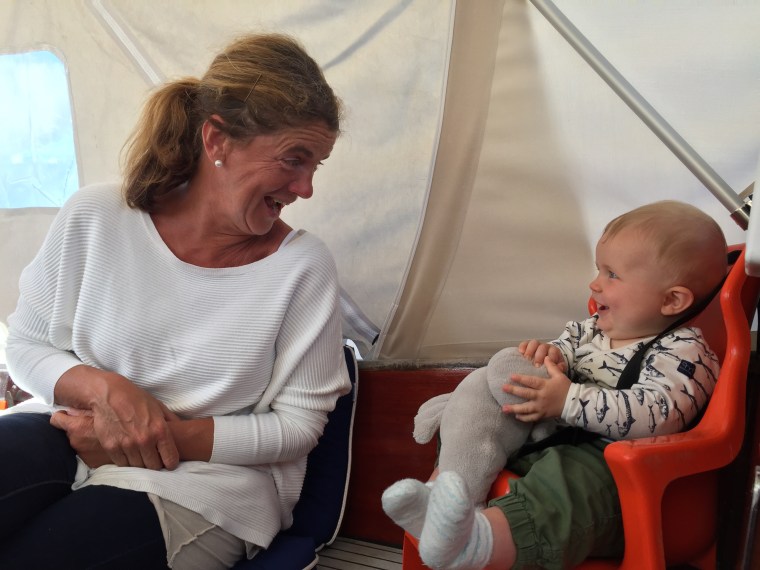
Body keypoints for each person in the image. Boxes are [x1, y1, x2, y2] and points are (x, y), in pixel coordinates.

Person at [0, 33, 350, 570]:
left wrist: (147, 438)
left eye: (315, 166)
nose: (305, 189)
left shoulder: (302, 266)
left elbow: (298, 428)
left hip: (212, 483)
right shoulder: (95, 216)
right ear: (218, 140)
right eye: (293, 160)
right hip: (74, 432)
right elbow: (25, 345)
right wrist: (108, 391)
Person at [382, 200, 728, 569]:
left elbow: (658, 416)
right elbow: (558, 353)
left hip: (625, 471)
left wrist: (569, 400)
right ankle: (447, 496)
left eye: (612, 274)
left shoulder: (684, 352)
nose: (594, 283)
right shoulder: (590, 330)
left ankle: (474, 545)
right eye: (599, 269)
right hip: (554, 438)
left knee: (563, 481)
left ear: (672, 300)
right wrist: (547, 356)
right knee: (481, 403)